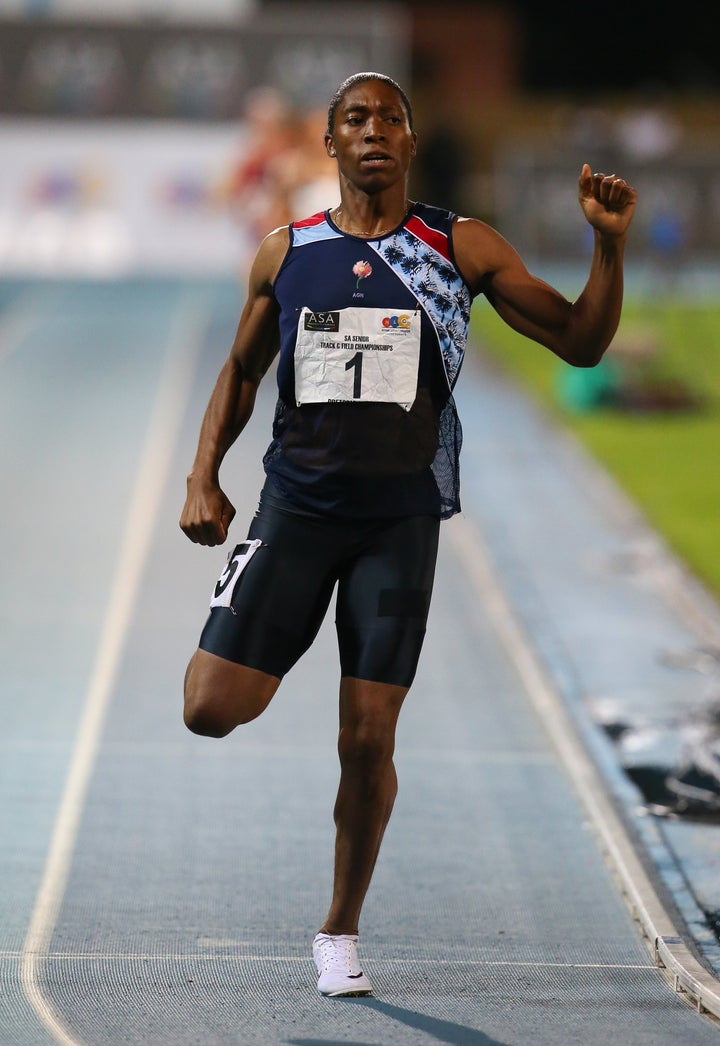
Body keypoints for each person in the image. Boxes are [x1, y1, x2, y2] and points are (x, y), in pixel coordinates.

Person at [179, 71, 638, 998]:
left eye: (391, 117)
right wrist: (202, 476)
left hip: (399, 523)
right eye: (357, 118)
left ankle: (339, 929)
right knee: (210, 707)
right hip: (295, 513)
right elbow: (238, 370)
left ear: (411, 142)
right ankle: (285, 635)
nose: (375, 130)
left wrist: (607, 246)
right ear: (333, 144)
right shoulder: (287, 250)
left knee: (367, 739)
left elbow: (582, 344)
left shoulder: (456, 246)